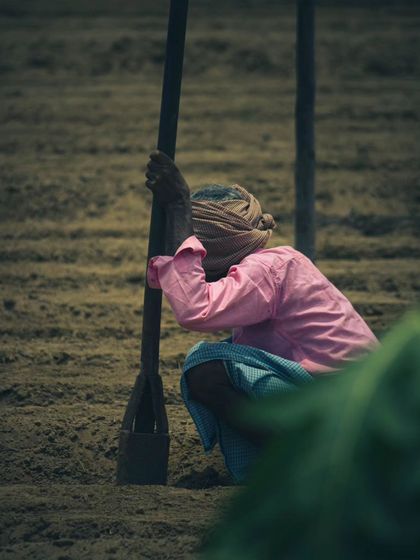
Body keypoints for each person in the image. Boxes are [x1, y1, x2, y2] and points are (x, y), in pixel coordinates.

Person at [145, 150, 378, 482]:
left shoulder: (265, 271)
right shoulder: (271, 266)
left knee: (205, 367)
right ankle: (277, 469)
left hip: (348, 408)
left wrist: (181, 206)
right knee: (229, 353)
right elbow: (181, 286)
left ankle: (305, 465)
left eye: (194, 244)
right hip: (352, 401)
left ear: (216, 247)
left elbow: (194, 308)